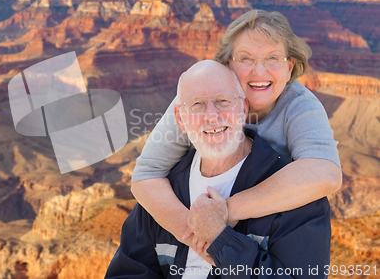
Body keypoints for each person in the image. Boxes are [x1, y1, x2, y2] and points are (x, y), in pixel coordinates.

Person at [130, 10, 341, 256]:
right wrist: (196, 238)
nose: (259, 72)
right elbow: (145, 176)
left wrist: (226, 212)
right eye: (245, 58)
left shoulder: (299, 105)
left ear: (289, 66)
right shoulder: (196, 101)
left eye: (273, 58)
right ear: (227, 64)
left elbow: (326, 174)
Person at [105, 61, 331, 279]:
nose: (212, 115)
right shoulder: (164, 193)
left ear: (243, 109)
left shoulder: (296, 196)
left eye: (223, 101)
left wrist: (222, 241)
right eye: (197, 104)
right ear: (180, 120)